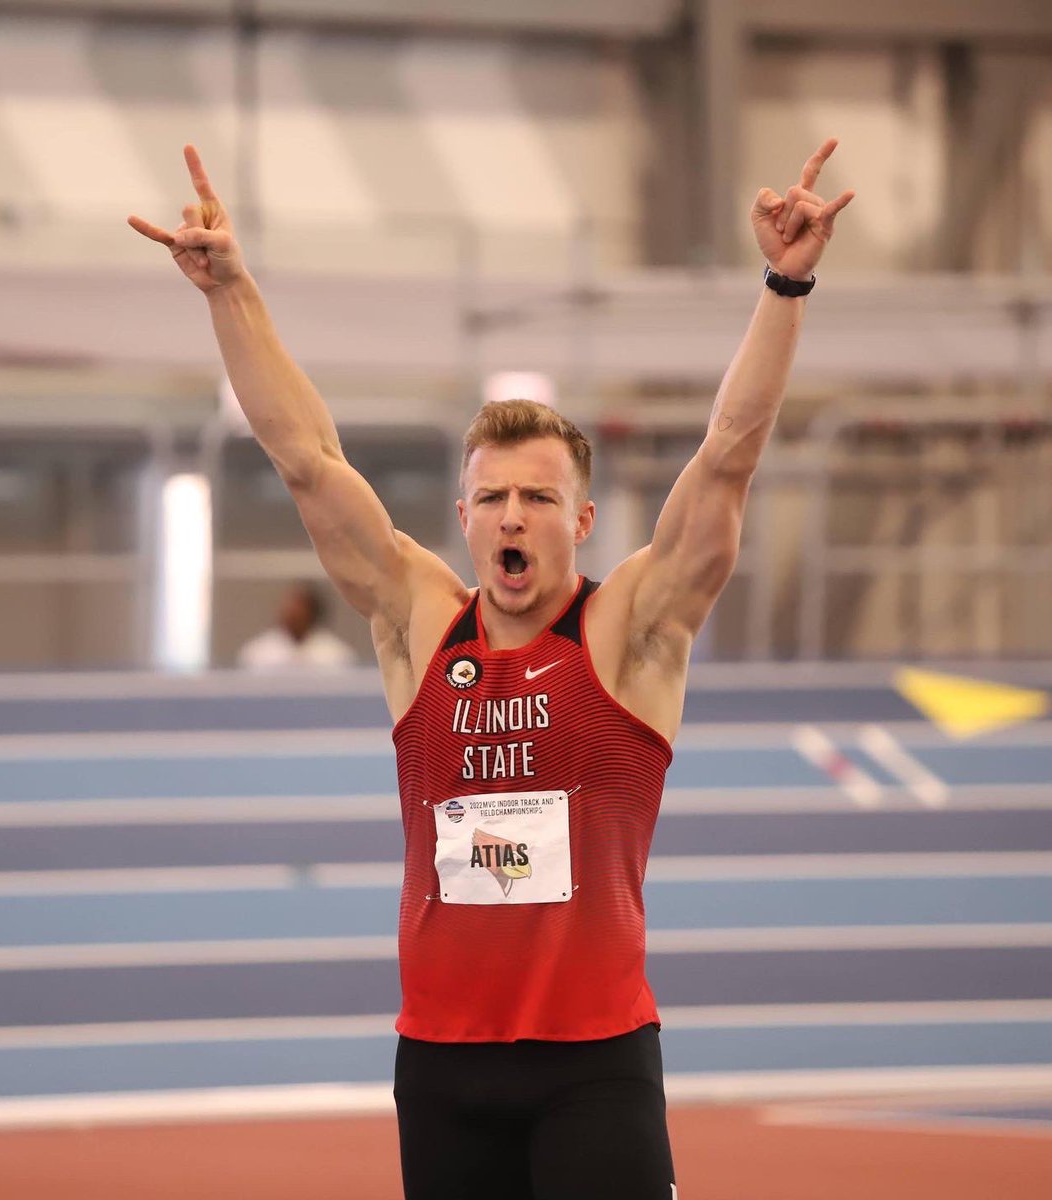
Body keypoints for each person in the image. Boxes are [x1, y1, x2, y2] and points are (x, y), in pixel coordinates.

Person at [130, 139, 852, 1200]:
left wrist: (786, 284)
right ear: (464, 517)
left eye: (541, 498)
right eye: (495, 498)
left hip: (593, 1065)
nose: (515, 516)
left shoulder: (629, 632)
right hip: (441, 1067)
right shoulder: (421, 623)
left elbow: (729, 456)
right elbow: (307, 459)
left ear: (582, 520)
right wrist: (231, 289)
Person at [236, 581, 357, 670]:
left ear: (312, 612)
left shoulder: (335, 654)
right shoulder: (257, 653)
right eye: (289, 608)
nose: (292, 614)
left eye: (299, 609)